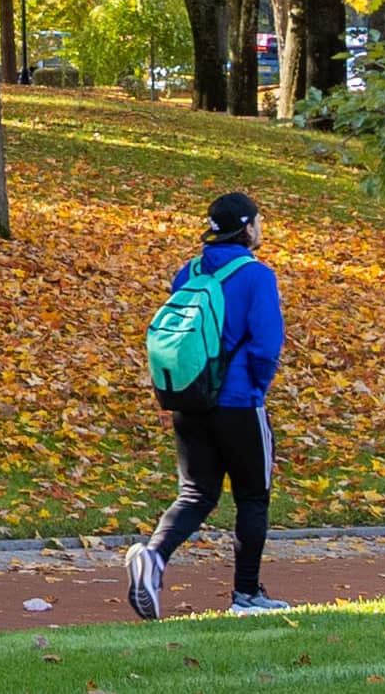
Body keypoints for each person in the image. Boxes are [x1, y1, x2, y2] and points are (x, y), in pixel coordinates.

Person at [127, 192, 290, 618]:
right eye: (258, 220)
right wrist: (256, 388)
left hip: (190, 397)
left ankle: (153, 557)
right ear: (247, 226)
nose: (261, 227)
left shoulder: (189, 271)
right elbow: (267, 343)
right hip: (240, 401)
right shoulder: (257, 275)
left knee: (196, 493)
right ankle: (247, 596)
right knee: (253, 497)